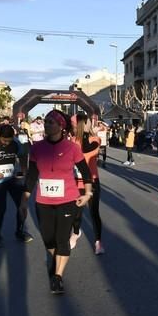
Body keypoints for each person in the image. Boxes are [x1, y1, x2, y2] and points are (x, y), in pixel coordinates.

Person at [20, 110, 92, 294]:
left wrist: (87, 193)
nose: (47, 124)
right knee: (48, 238)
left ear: (61, 126)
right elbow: (32, 176)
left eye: (51, 122)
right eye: (46, 121)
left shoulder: (72, 148)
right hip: (43, 200)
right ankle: (56, 259)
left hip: (67, 199)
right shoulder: (36, 147)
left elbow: (84, 171)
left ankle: (58, 276)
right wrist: (24, 201)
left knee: (62, 239)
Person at [70, 114, 105, 255]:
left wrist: (88, 134)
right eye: (88, 122)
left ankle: (98, 242)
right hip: (76, 181)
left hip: (93, 180)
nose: (91, 124)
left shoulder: (95, 139)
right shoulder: (71, 141)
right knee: (77, 211)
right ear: (82, 124)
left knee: (93, 211)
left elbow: (87, 149)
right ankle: (76, 232)